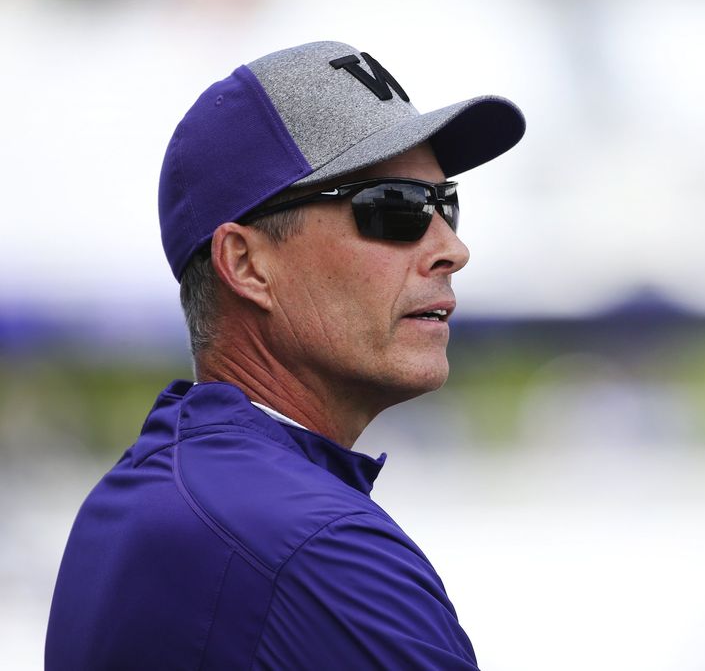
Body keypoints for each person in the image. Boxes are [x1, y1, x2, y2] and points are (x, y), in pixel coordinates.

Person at [45, 40, 525, 670]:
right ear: (246, 264)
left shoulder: (146, 491)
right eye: (396, 209)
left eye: (446, 205)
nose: (451, 250)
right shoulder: (316, 546)